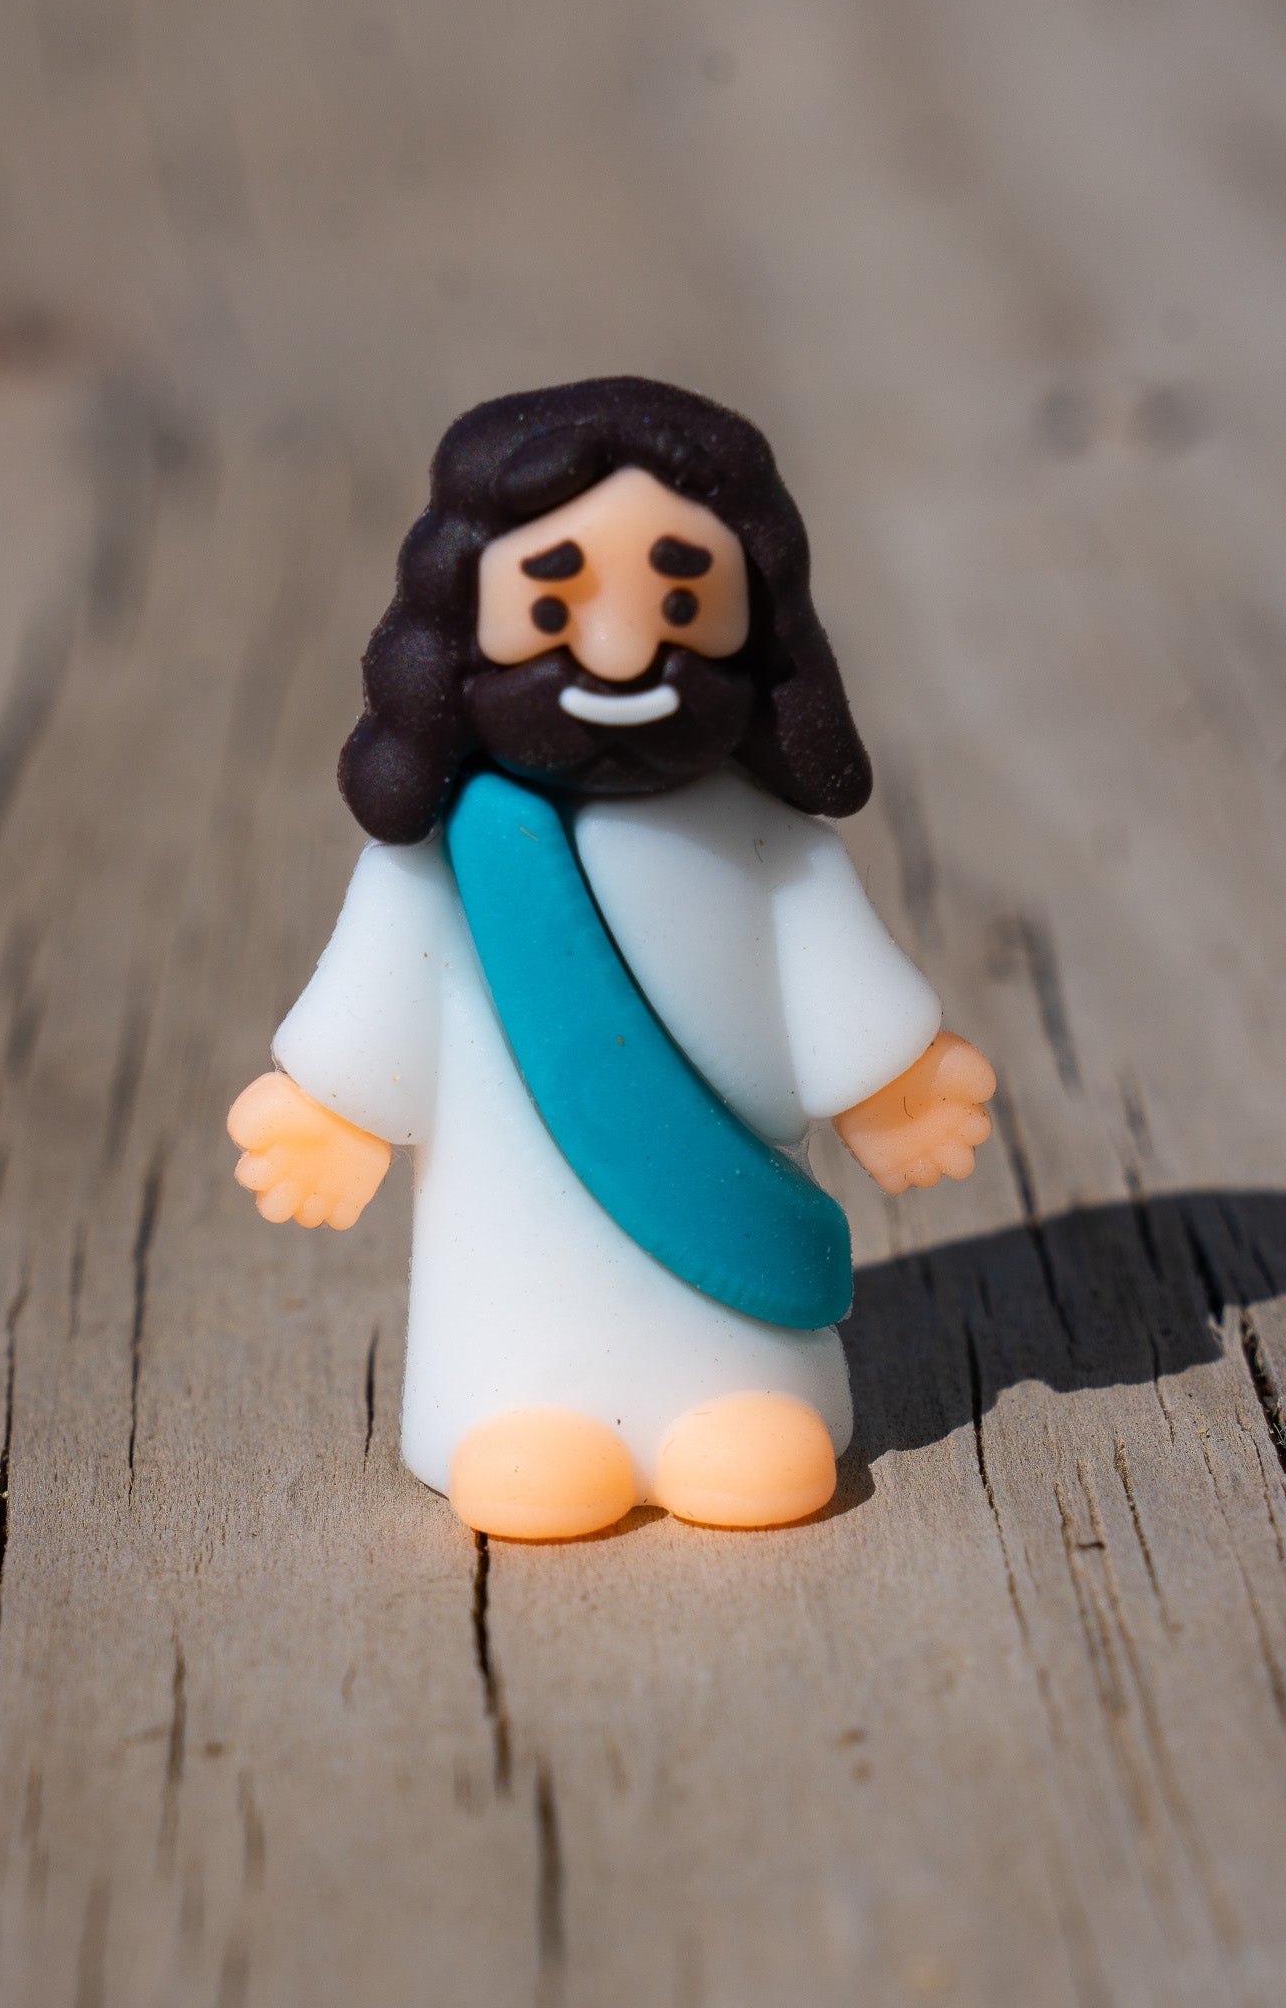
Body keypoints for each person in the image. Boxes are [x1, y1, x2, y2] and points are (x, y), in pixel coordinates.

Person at [228, 378, 994, 1541]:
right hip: (510, 1229)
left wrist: (890, 1083)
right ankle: (520, 1408)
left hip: (730, 1235)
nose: (624, 647)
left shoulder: (770, 845)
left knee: (740, 1386)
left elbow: (825, 975)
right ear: (462, 626)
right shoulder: (444, 857)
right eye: (553, 603)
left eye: (681, 600)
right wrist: (332, 1106)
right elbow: (388, 983)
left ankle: (743, 1399)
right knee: (524, 1337)